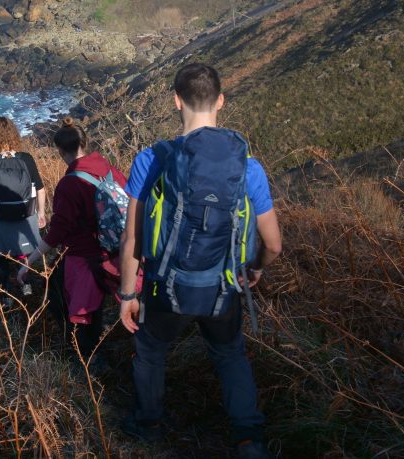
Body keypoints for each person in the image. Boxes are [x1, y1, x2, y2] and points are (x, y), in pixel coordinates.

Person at [117, 63, 283, 459]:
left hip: (165, 286)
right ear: (221, 101)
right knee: (229, 354)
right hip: (223, 286)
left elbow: (132, 239)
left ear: (176, 101)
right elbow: (274, 243)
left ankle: (149, 426)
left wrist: (127, 293)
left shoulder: (151, 159)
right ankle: (248, 438)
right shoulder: (248, 167)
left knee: (151, 351)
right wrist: (255, 268)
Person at [18, 117, 132, 362]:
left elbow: (57, 231)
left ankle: (85, 358)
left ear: (60, 151)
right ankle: (94, 351)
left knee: (65, 302)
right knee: (95, 305)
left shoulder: (70, 184)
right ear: (85, 142)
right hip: (116, 252)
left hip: (83, 257)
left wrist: (30, 261)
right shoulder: (109, 169)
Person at [0, 116, 47, 298]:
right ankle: (27, 291)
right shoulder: (26, 158)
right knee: (23, 256)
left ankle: (7, 295)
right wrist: (41, 213)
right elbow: (40, 189)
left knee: (1, 255)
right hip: (26, 217)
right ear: (14, 135)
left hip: (2, 217)